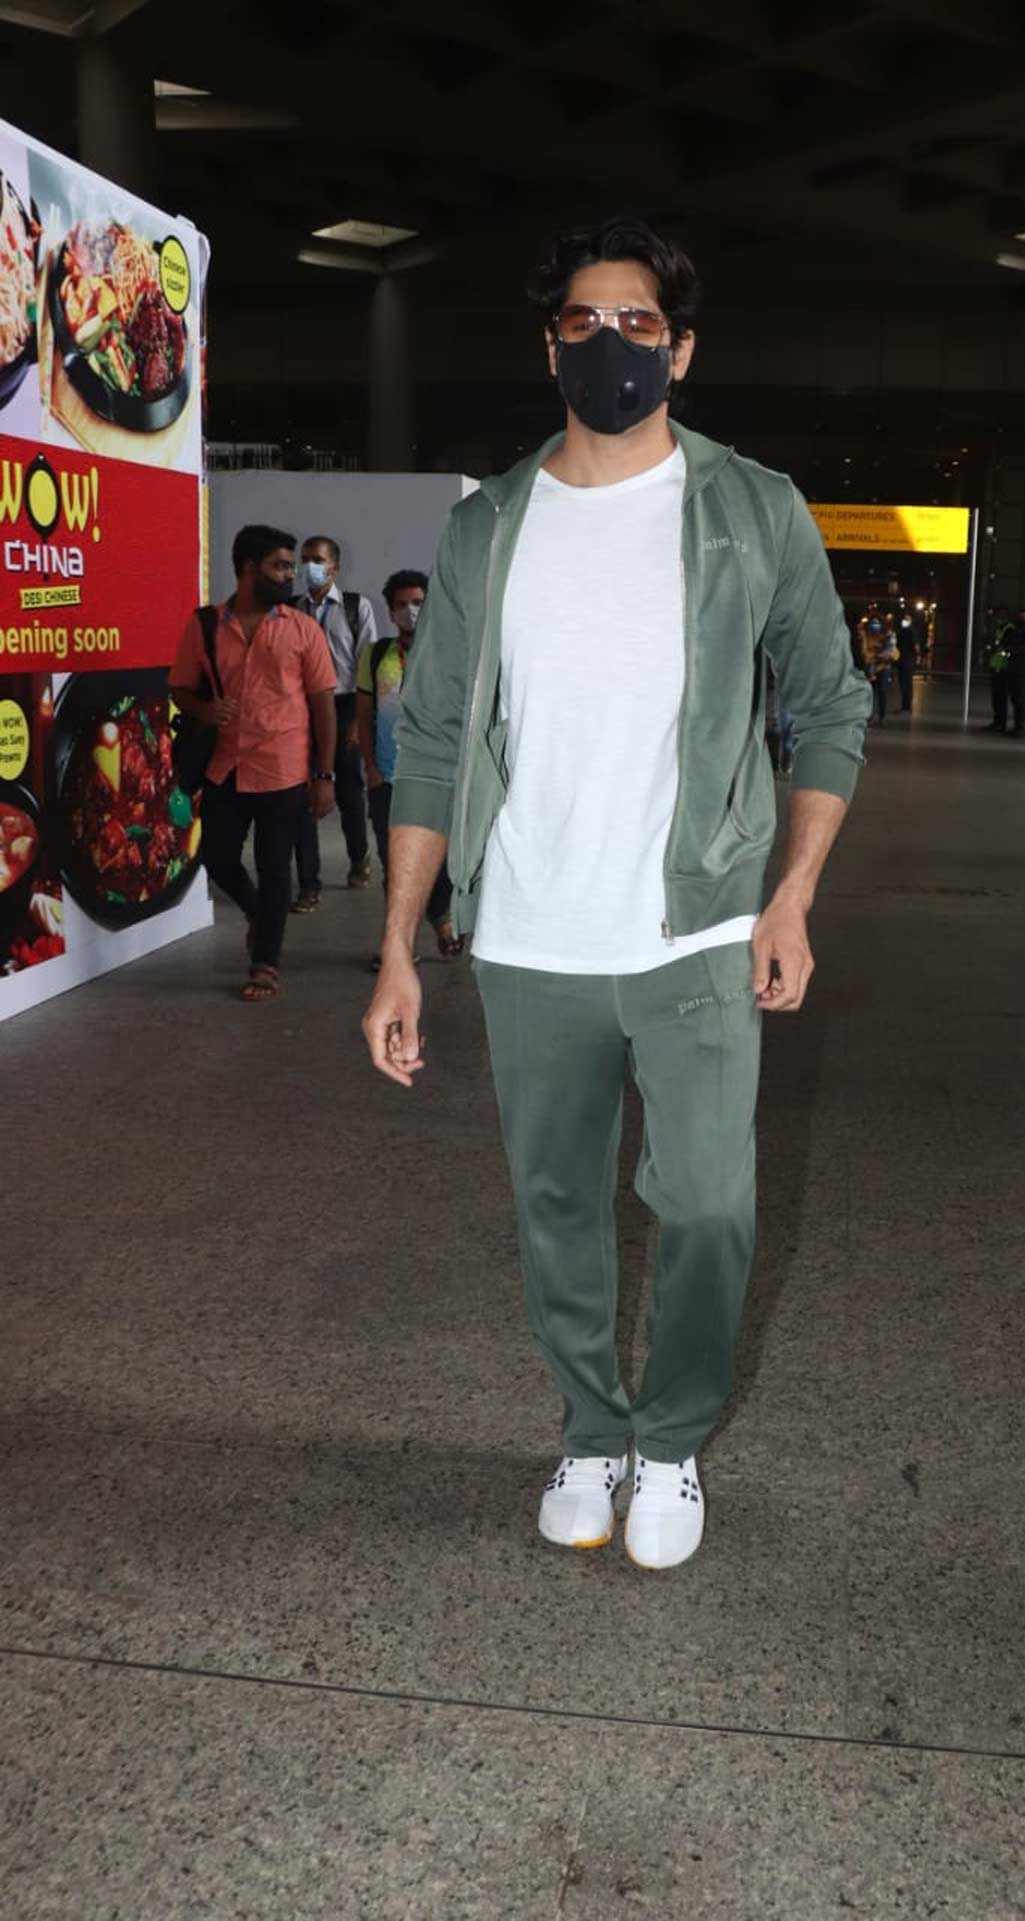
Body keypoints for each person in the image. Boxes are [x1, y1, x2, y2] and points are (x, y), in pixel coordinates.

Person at [363, 215, 870, 1571]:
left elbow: (829, 707)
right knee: (559, 1207)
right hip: (528, 933)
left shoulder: (750, 508)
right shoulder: (487, 528)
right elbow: (433, 737)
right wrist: (399, 946)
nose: (609, 345)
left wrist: (793, 891)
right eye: (583, 323)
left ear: (682, 349)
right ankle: (592, 1426)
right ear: (549, 346)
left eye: (638, 324)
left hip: (697, 929)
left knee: (708, 1203)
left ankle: (674, 1441)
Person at [170, 524, 337, 1002]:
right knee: (217, 857)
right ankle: (258, 914)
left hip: (284, 769)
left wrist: (323, 775)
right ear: (248, 568)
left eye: (290, 566)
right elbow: (180, 685)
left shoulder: (303, 629)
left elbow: (323, 705)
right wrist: (203, 710)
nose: (290, 575)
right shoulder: (205, 626)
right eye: (279, 566)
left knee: (275, 867)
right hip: (225, 766)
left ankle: (265, 963)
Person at [356, 569, 462, 964]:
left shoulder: (448, 652)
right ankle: (401, 947)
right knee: (395, 863)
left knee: (439, 856)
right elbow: (364, 716)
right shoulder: (376, 655)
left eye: (418, 603)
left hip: (438, 775)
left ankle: (442, 916)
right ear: (389, 611)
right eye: (401, 605)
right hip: (389, 776)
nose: (410, 611)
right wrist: (370, 766)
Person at [290, 534, 378, 910]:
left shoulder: (357, 608)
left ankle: (359, 857)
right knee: (303, 794)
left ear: (335, 567)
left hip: (344, 706)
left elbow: (368, 666)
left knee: (348, 791)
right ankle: (309, 883)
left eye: (319, 559)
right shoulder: (291, 609)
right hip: (302, 709)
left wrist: (360, 721)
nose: (311, 565)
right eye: (306, 558)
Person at [861, 617, 897, 724]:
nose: (875, 626)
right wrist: (876, 656)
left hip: (884, 668)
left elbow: (893, 652)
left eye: (877, 624)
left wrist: (885, 655)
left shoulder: (887, 636)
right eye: (873, 624)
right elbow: (864, 652)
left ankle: (882, 717)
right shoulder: (866, 636)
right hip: (871, 667)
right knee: (870, 693)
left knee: (882, 692)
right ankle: (869, 716)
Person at [1006, 609, 1025, 737]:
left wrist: (1014, 650)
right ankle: (1017, 726)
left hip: (1021, 668)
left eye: (1023, 616)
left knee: (1019, 697)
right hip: (1013, 667)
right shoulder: (1013, 630)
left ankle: (1020, 726)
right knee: (1014, 696)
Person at [985, 605, 1013, 731]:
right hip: (995, 666)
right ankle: (997, 721)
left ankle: (1001, 723)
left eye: (1001, 615)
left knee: (1001, 697)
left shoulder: (1009, 629)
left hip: (1003, 668)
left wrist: (998, 649)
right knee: (995, 697)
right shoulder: (998, 629)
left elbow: (1004, 647)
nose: (998, 618)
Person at [896, 610, 919, 713]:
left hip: (907, 660)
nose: (904, 621)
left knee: (906, 684)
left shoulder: (911, 631)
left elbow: (915, 646)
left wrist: (917, 656)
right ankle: (905, 705)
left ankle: (907, 706)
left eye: (906, 619)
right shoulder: (902, 631)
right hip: (903, 660)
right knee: (903, 683)